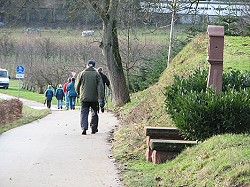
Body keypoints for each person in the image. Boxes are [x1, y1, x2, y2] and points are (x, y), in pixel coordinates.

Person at [75, 60, 104, 135]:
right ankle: (93, 128)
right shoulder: (97, 74)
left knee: (84, 113)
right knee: (94, 113)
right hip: (94, 97)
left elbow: (77, 85)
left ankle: (84, 128)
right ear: (94, 66)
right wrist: (101, 98)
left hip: (84, 97)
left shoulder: (82, 73)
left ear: (87, 65)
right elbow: (100, 87)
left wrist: (78, 93)